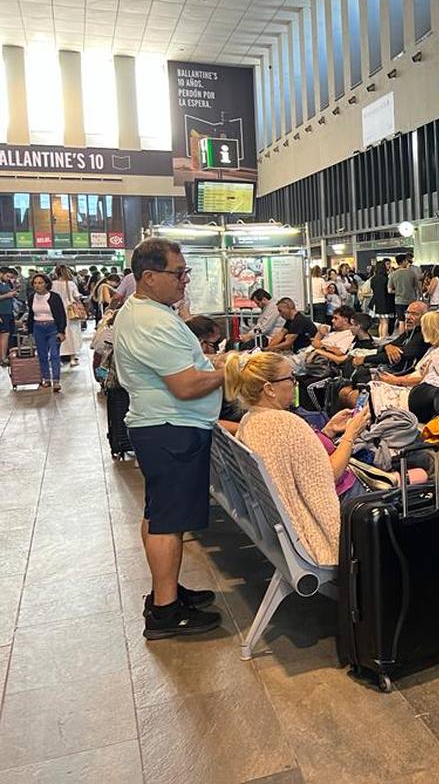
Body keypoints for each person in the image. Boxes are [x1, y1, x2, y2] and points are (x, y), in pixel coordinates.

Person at [112, 238, 226, 639]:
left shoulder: (150, 312)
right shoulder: (152, 321)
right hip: (171, 428)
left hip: (163, 427)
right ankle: (165, 612)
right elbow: (187, 385)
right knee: (167, 522)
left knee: (159, 515)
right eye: (178, 273)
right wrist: (228, 370)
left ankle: (167, 590)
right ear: (148, 277)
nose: (184, 281)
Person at [227, 352, 373, 565]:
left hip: (279, 525)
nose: (295, 383)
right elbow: (330, 475)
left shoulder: (252, 419)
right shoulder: (287, 423)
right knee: (407, 482)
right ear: (269, 388)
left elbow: (300, 456)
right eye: (290, 378)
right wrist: (351, 433)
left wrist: (329, 430)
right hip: (334, 511)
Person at [383, 312, 439, 423]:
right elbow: (422, 373)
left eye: (423, 327)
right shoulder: (434, 349)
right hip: (422, 391)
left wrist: (397, 381)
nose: (422, 330)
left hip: (428, 392)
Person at [25, 272, 66, 389]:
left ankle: (56, 380)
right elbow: (31, 315)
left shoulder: (54, 297)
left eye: (40, 283)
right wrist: (29, 331)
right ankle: (46, 378)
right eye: (35, 283)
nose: (37, 285)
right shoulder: (31, 297)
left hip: (53, 328)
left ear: (46, 284)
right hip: (38, 328)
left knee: (54, 355)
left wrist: (62, 331)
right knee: (42, 355)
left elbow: (61, 315)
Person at [51, 265, 83, 366]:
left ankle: (59, 358)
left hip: (56, 309)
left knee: (59, 332)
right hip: (70, 310)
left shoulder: (53, 284)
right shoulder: (71, 284)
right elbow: (77, 297)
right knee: (72, 333)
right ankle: (72, 358)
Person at [0, 266, 16, 363]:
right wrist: (8, 295)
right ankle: (2, 357)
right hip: (2, 313)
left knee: (9, 335)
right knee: (4, 335)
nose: (9, 278)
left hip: (9, 312)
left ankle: (6, 355)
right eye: (8, 276)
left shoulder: (6, 284)